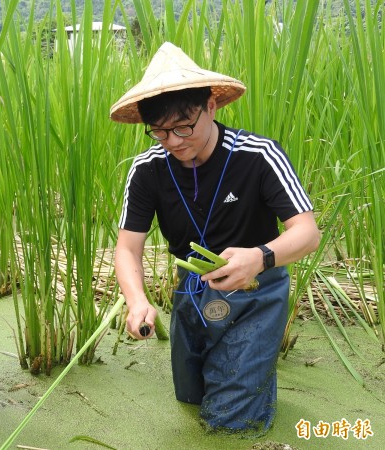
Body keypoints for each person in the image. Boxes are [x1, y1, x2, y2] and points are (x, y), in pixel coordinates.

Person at [110, 42, 320, 434]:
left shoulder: (258, 156)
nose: (172, 141)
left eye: (183, 126)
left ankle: (249, 385)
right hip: (192, 291)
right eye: (159, 131)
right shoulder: (147, 170)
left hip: (256, 290)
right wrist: (136, 300)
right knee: (191, 397)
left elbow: (308, 233)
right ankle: (251, 381)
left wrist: (259, 257)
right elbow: (127, 247)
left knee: (230, 420)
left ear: (211, 106)